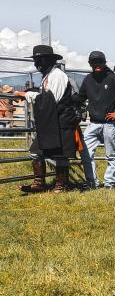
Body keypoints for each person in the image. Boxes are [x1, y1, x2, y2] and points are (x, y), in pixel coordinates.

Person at [16, 45, 82, 192]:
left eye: (40, 59)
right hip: (51, 122)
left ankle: (62, 185)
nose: (36, 63)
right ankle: (39, 183)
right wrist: (33, 92)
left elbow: (51, 100)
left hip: (61, 120)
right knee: (36, 151)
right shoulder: (47, 76)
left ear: (49, 60)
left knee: (60, 154)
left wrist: (27, 95)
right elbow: (47, 97)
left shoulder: (57, 75)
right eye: (35, 60)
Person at [73, 51, 115, 189]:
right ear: (90, 64)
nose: (97, 65)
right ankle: (92, 182)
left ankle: (109, 183)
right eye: (94, 62)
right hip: (93, 123)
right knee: (86, 153)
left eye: (100, 62)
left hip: (109, 124)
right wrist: (65, 98)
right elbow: (80, 97)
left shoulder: (112, 78)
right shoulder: (88, 79)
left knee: (111, 154)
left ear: (104, 63)